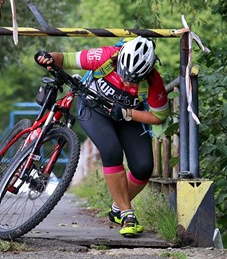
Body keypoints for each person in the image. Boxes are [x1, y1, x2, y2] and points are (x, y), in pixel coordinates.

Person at [34, 36, 169, 237]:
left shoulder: (153, 81)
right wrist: (45, 57)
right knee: (111, 150)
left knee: (143, 167)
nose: (126, 81)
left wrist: (128, 113)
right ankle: (127, 213)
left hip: (126, 117)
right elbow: (65, 58)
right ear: (119, 60)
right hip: (93, 110)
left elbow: (159, 116)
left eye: (133, 79)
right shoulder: (105, 56)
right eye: (124, 75)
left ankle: (117, 208)